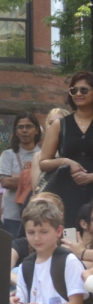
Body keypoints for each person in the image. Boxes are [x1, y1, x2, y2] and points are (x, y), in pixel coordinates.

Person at [8, 201, 84, 304]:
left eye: (43, 232)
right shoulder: (26, 264)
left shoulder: (68, 261)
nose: (36, 238)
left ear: (58, 231)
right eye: (31, 232)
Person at [40, 72, 93, 228]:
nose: (78, 94)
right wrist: (65, 161)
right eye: (73, 90)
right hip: (67, 195)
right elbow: (43, 163)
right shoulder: (60, 125)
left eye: (83, 90)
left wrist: (91, 177)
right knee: (69, 240)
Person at [0, 112, 42, 238]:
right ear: (16, 131)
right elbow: (5, 182)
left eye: (28, 126)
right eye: (20, 127)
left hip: (37, 215)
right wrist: (35, 179)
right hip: (12, 216)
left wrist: (17, 178)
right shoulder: (7, 155)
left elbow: (49, 182)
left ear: (37, 130)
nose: (24, 130)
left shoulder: (44, 155)